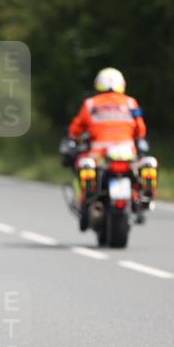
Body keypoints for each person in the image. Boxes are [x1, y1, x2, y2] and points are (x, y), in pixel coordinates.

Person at [66, 67, 149, 228]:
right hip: (127, 154)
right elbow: (141, 130)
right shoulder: (131, 102)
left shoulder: (90, 104)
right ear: (122, 84)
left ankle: (86, 202)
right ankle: (139, 198)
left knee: (81, 166)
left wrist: (75, 139)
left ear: (98, 84)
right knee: (140, 171)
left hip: (99, 155)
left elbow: (75, 130)